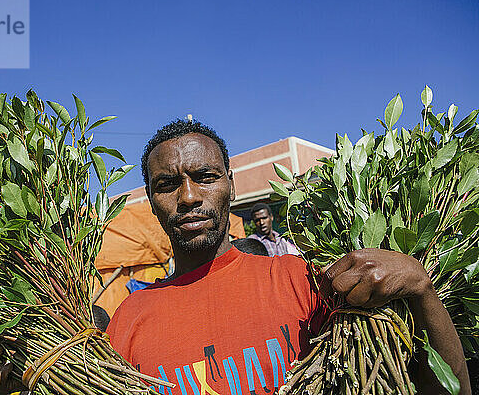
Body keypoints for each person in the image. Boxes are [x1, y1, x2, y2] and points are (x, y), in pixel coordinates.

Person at [106, 119, 471, 394]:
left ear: (231, 186)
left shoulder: (305, 280)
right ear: (152, 202)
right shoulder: (127, 322)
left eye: (205, 176)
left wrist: (421, 288)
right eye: (166, 185)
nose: (188, 197)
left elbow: (446, 388)